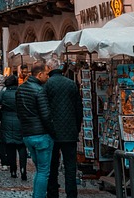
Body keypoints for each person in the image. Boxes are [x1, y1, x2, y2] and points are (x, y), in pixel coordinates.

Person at [43, 60, 82, 198]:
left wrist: (47, 128)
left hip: (52, 132)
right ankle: (71, 194)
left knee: (52, 166)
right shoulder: (71, 84)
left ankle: (53, 193)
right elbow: (79, 109)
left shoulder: (47, 85)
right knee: (70, 167)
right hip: (70, 132)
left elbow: (44, 110)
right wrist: (76, 128)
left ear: (49, 68)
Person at [17, 60, 54, 198]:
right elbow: (46, 115)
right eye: (46, 74)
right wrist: (53, 132)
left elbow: (19, 113)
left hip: (27, 134)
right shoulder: (40, 90)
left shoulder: (21, 89)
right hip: (41, 135)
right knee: (44, 171)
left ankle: (37, 195)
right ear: (39, 75)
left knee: (40, 170)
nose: (48, 77)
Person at [0, 72, 27, 179]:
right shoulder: (22, 92)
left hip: (6, 122)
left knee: (10, 146)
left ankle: (13, 170)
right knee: (21, 146)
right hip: (20, 122)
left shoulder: (3, 93)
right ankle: (23, 170)